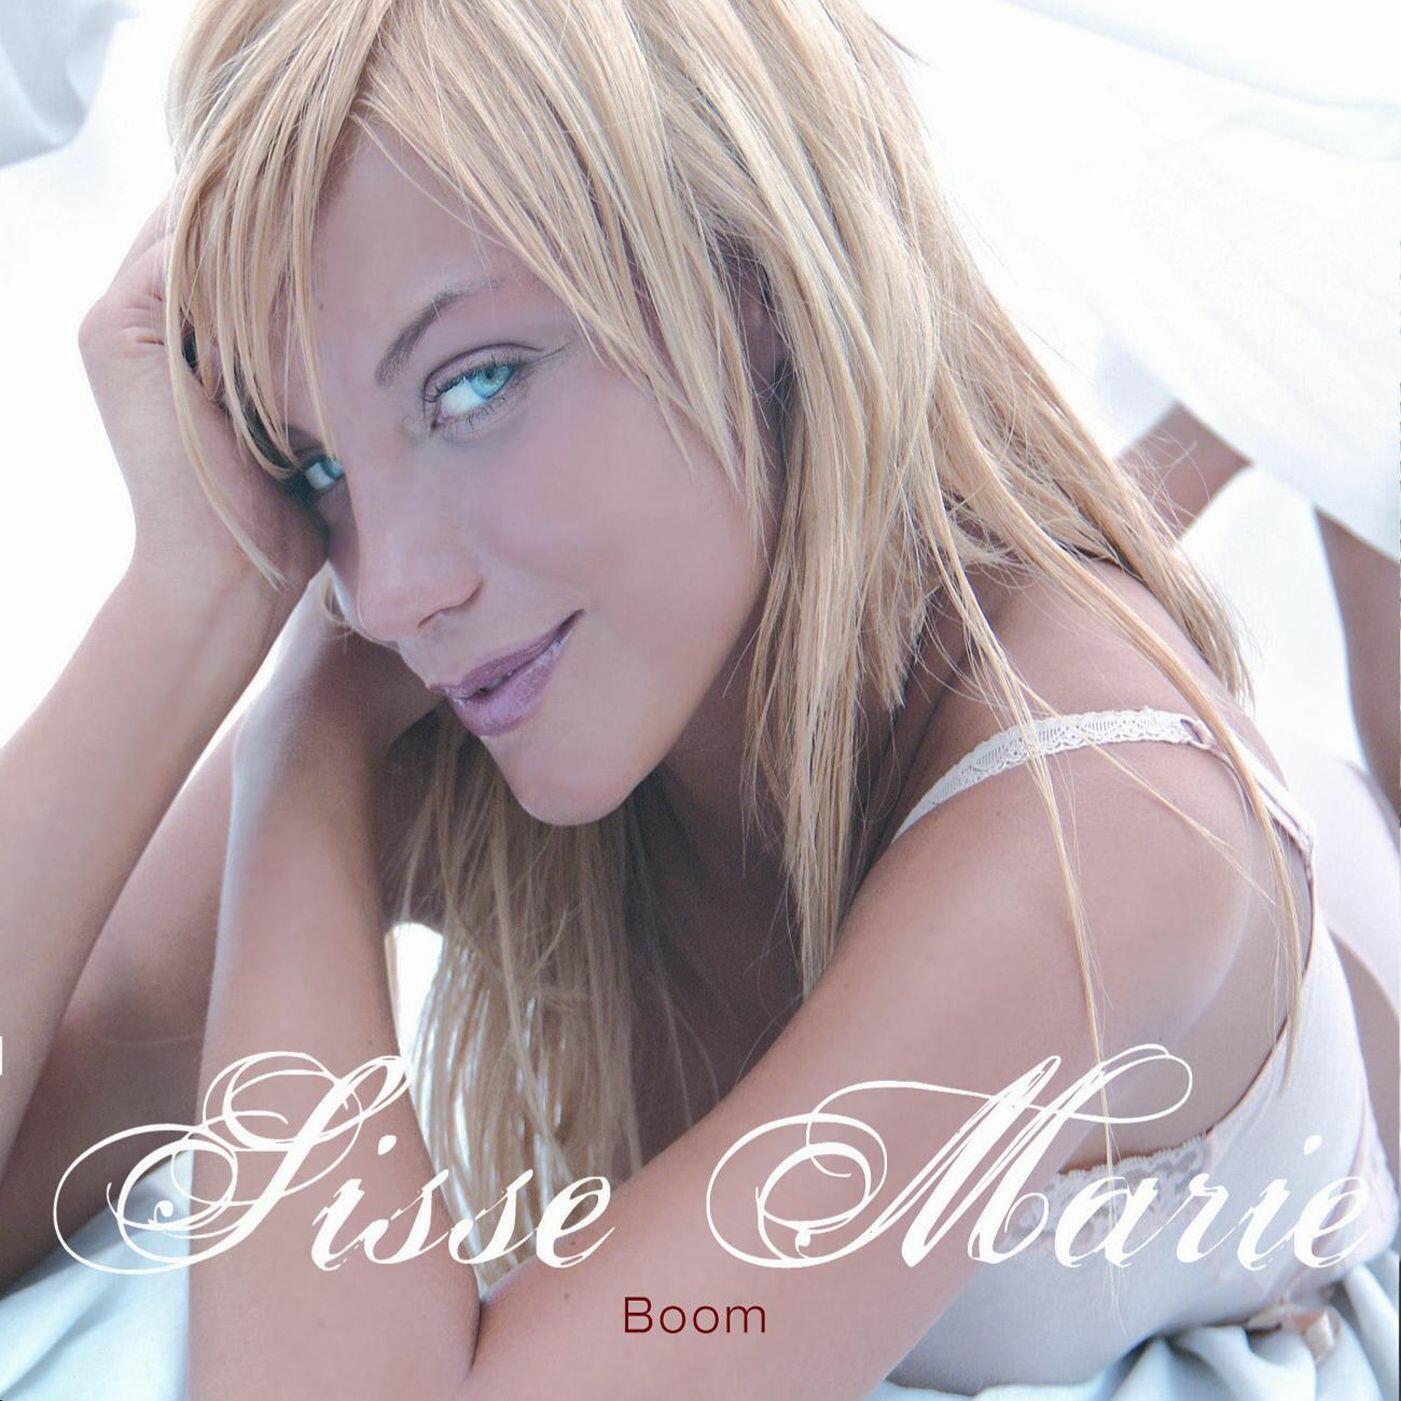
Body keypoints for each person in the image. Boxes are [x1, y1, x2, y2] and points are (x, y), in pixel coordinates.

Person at [0, 1, 1395, 1397]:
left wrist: (303, 747)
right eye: (314, 466)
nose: (387, 587)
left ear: (753, 281)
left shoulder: (1100, 831)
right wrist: (198, 608)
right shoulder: (480, 662)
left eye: (474, 386)